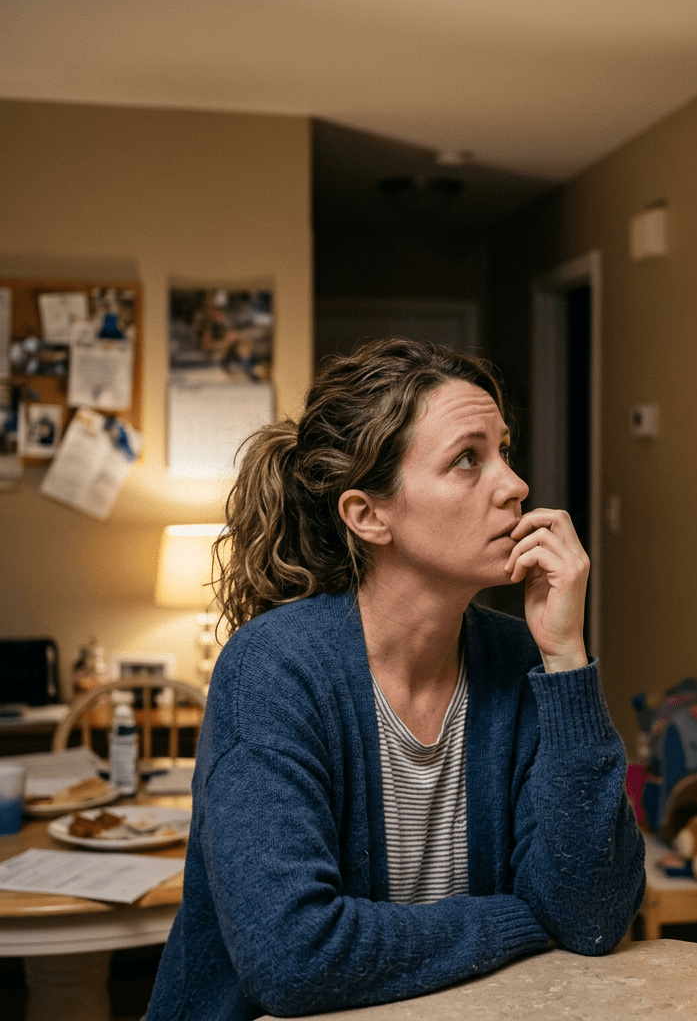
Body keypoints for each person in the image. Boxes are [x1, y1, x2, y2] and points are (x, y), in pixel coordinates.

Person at [146, 338, 645, 1021]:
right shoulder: (274, 671)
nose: (515, 484)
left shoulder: (518, 657)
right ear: (367, 515)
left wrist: (565, 657)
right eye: (468, 459)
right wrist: (519, 921)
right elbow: (292, 959)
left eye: (504, 449)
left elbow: (590, 919)